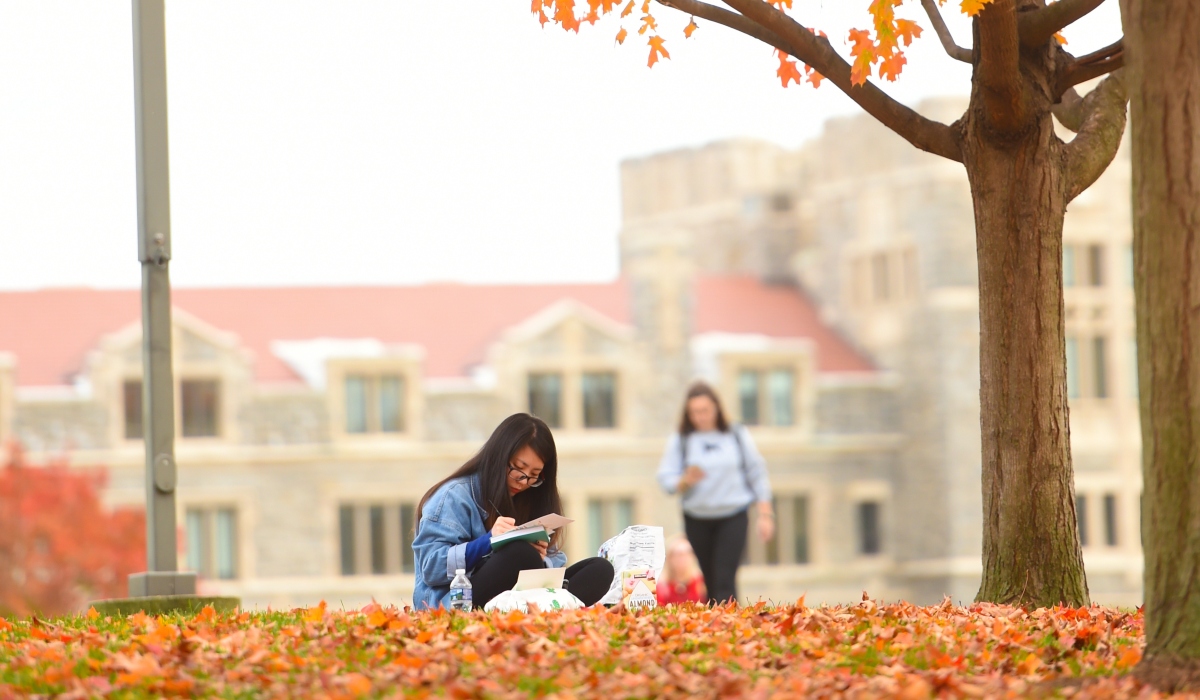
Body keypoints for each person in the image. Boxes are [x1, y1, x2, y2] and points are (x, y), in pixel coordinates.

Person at [412, 413, 614, 610]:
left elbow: (555, 561)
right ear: (498, 457)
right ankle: (549, 609)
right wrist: (489, 542)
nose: (523, 481)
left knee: (599, 570)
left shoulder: (532, 497)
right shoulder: (454, 496)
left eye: (534, 476)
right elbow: (431, 567)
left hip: (519, 592)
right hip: (456, 601)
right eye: (518, 468)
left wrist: (542, 558)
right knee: (520, 554)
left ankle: (542, 609)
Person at [656, 381, 774, 604]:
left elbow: (756, 472)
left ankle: (731, 629)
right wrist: (684, 481)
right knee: (709, 581)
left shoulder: (736, 435)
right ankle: (714, 629)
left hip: (733, 515)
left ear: (717, 409)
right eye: (694, 412)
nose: (700, 417)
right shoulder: (682, 440)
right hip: (697, 518)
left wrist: (765, 514)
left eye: (705, 411)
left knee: (725, 578)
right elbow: (666, 478)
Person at [656, 536, 706, 606]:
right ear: (670, 558)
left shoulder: (701, 584)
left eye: (686, 553)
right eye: (678, 554)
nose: (682, 559)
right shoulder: (662, 588)